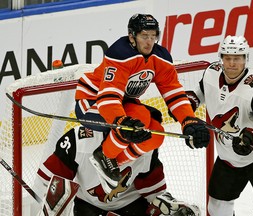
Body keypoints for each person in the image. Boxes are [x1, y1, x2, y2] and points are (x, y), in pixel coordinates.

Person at [74, 13, 210, 187]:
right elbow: (108, 97)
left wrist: (188, 119)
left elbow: (173, 92)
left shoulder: (160, 57)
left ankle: (113, 163)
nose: (149, 42)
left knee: (155, 135)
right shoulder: (120, 53)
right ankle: (105, 155)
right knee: (141, 116)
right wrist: (121, 122)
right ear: (132, 36)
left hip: (122, 103)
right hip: (92, 101)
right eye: (144, 36)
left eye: (153, 36)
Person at [186, 35, 253, 215]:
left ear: (245, 59)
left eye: (237, 58)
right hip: (228, 158)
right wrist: (189, 103)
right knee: (216, 208)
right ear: (221, 58)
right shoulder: (211, 72)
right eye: (227, 58)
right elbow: (201, 91)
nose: (232, 63)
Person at [35, 125, 201, 216]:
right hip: (88, 207)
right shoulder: (80, 140)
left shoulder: (146, 146)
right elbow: (47, 180)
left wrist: (165, 205)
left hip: (132, 205)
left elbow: (154, 192)